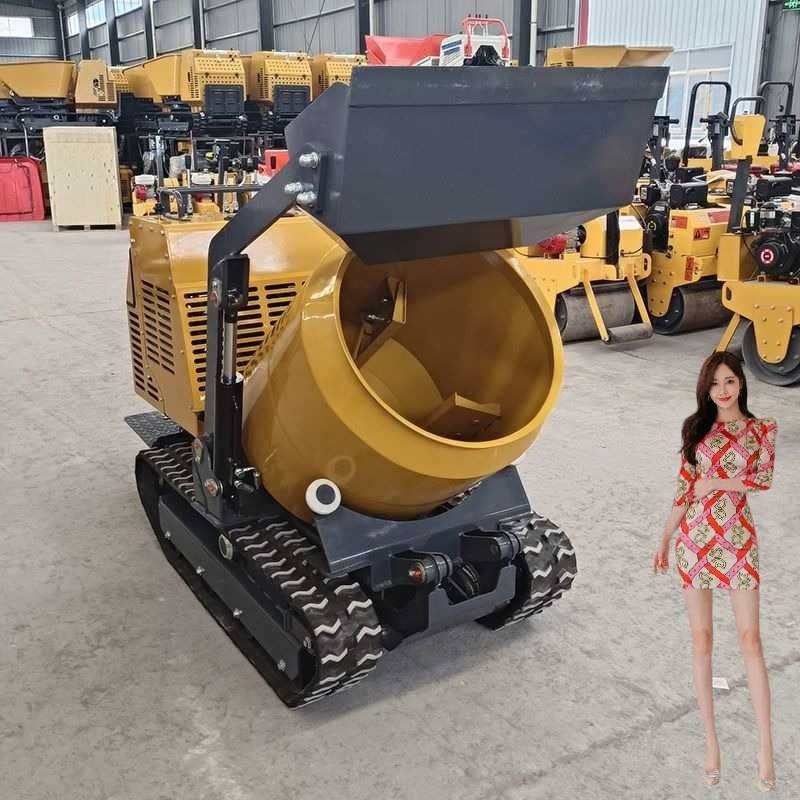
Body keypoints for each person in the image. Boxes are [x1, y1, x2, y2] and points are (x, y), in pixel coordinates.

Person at [653, 351, 778, 791]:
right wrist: (665, 537)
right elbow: (684, 489)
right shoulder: (696, 429)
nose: (722, 391)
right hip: (695, 541)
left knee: (750, 639)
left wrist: (718, 482)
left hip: (738, 541)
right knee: (702, 639)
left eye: (729, 381)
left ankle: (765, 748)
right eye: (714, 384)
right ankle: (711, 745)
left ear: (741, 383)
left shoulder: (761, 430)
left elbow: (763, 479)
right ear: (706, 390)